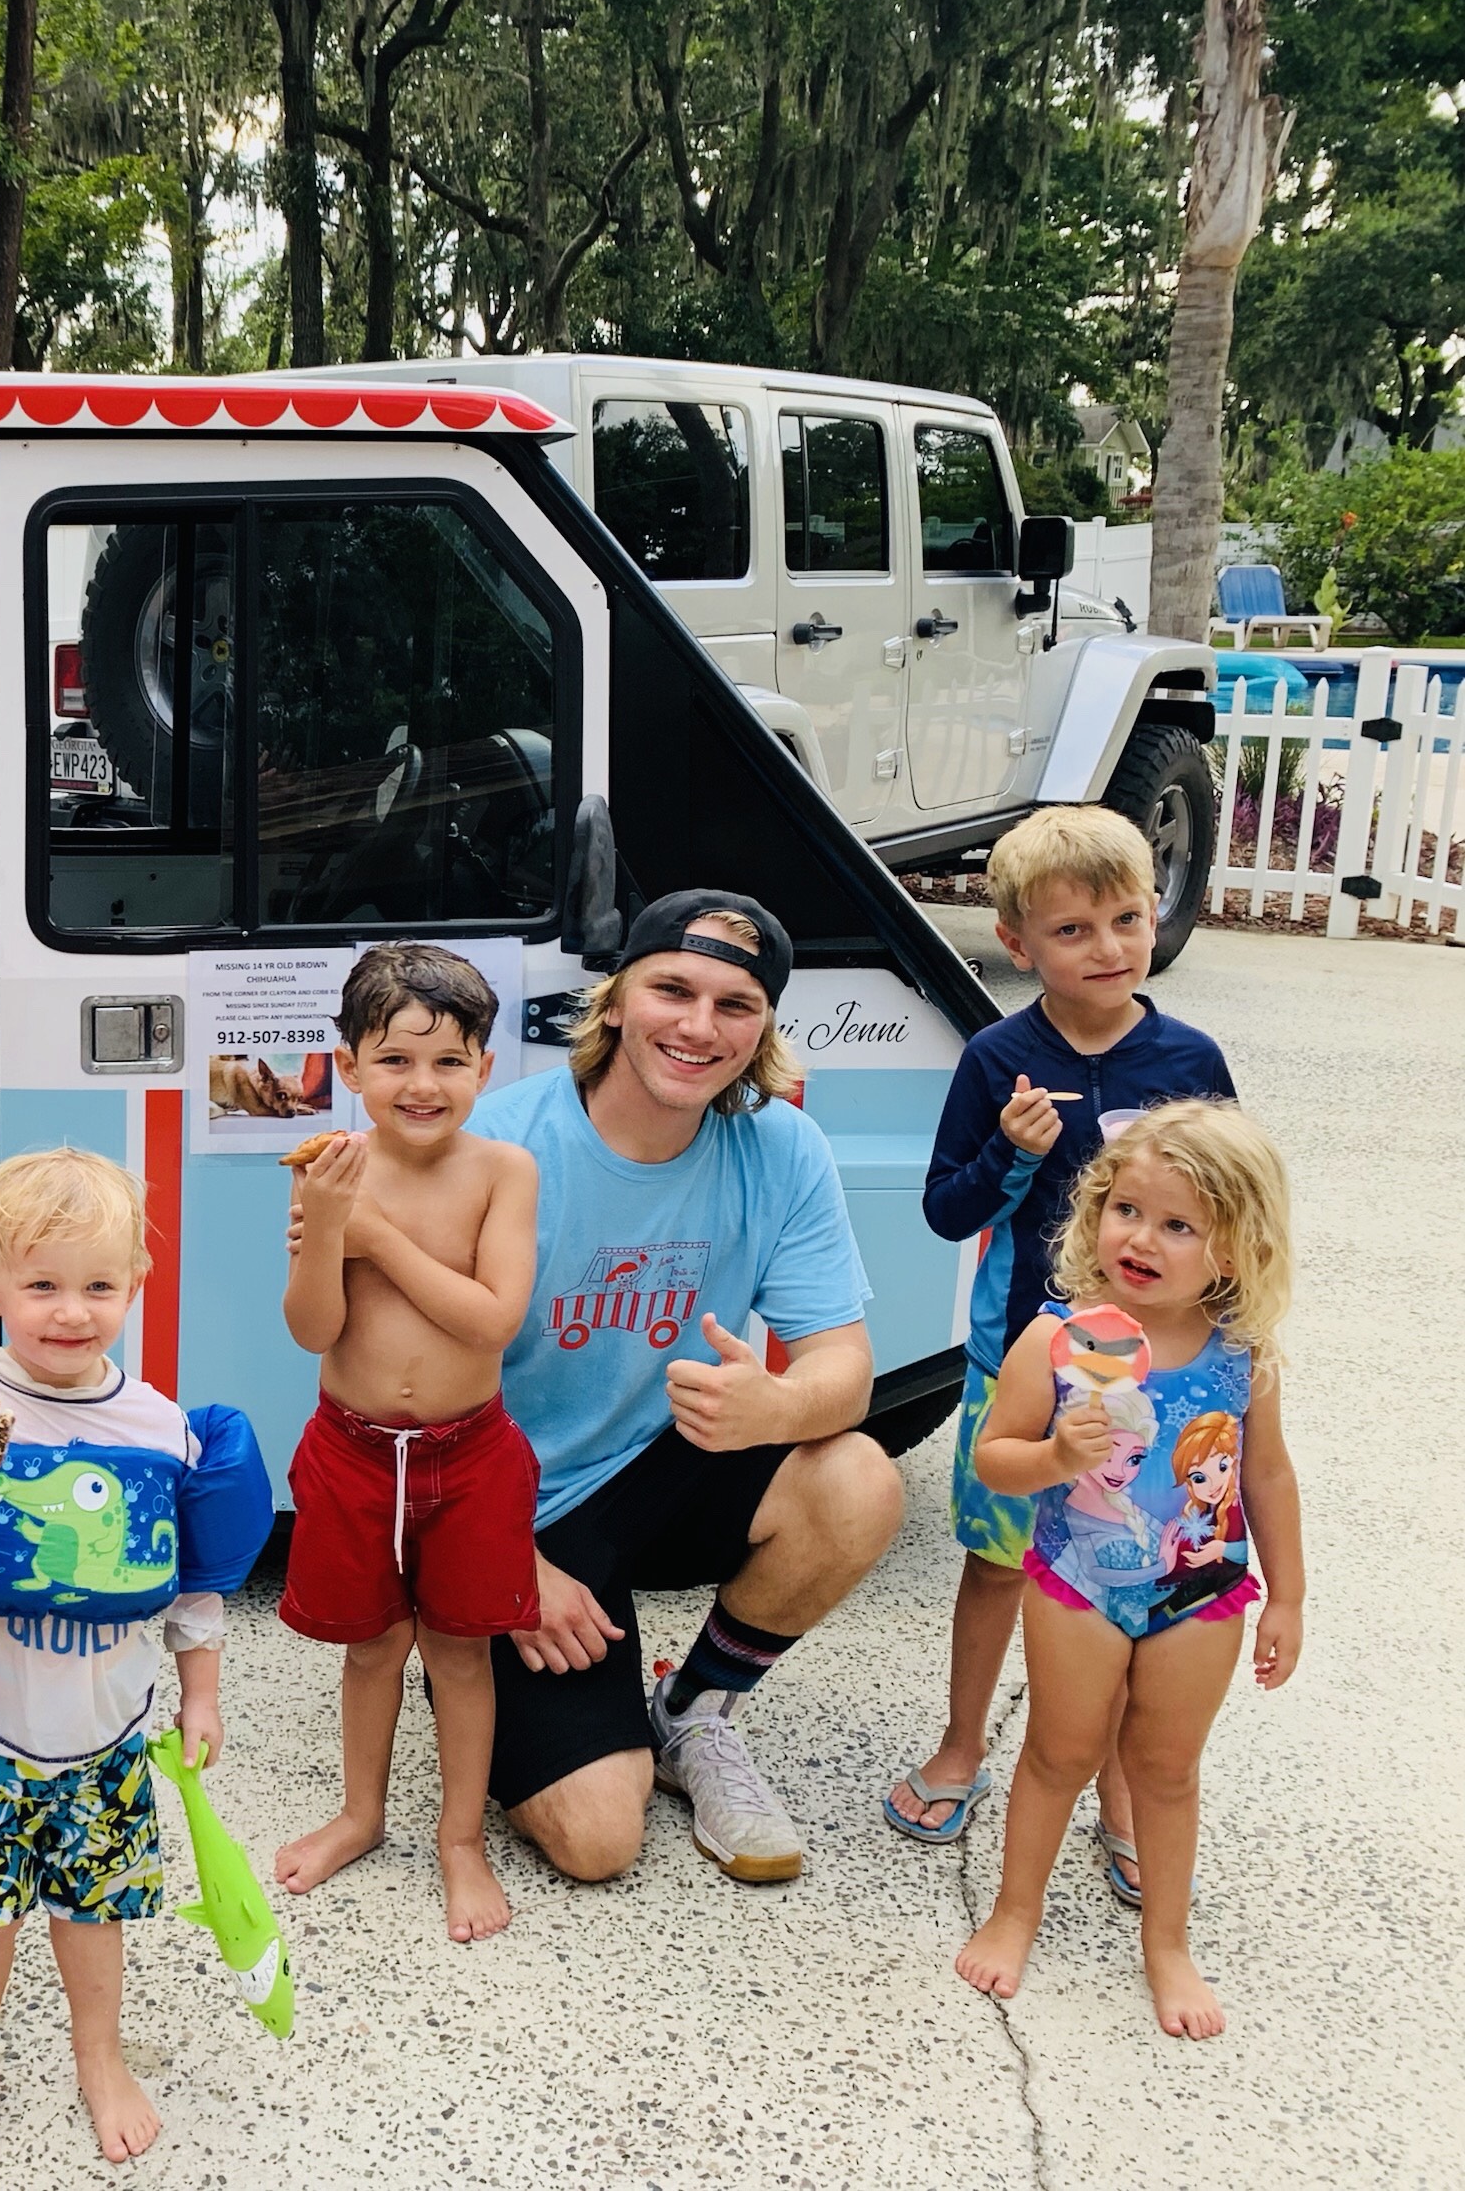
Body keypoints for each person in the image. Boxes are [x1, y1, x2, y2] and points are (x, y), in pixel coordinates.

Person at [464, 890, 903, 1884]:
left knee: (860, 1480)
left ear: (763, 1030)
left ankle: (692, 1715)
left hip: (661, 1466)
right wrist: (507, 1567)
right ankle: (455, 1640)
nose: (700, 1027)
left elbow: (845, 1370)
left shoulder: (781, 1147)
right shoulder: (502, 1144)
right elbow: (404, 1405)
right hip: (509, 1505)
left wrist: (778, 1406)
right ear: (617, 1000)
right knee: (597, 1842)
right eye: (673, 989)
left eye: (736, 1005)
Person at [888, 807, 1235, 1890]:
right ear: (1017, 939)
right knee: (1001, 1566)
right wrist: (1007, 1151)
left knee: (1135, 1576)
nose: (1111, 949)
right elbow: (946, 1213)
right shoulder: (1000, 1057)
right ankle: (963, 1744)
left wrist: (1228, 1340)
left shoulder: (1189, 1058)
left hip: (1160, 1381)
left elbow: (1230, 1212)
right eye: (1075, 930)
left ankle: (1126, 1785)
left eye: (1128, 919)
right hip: (1022, 1366)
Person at [0, 1147, 223, 2174]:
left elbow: (193, 1578)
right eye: (42, 1285)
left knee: (97, 1914)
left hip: (109, 1736)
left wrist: (199, 1693)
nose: (72, 1312)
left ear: (137, 1287)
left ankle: (98, 2055)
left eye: (99, 1286)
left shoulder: (160, 1427)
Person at [955, 1101, 1303, 2038]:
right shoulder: (1058, 1340)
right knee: (1059, 1752)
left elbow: (1265, 1475)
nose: (1141, 1238)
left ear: (1233, 1251)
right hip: (1079, 1579)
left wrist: (1290, 1600)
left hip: (1203, 1589)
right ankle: (1015, 1910)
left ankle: (1167, 1944)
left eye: (1179, 1225)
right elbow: (997, 1459)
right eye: (1126, 1210)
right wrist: (1057, 1456)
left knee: (1167, 1768)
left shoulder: (1243, 1354)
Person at [273, 943, 540, 1941]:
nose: (420, 1085)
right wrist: (327, 1229)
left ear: (483, 1066)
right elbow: (311, 1329)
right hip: (349, 1447)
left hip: (468, 1455)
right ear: (348, 1069)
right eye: (393, 1061)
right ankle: (361, 1813)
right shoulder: (325, 1170)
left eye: (448, 1061)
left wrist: (375, 1237)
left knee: (461, 1654)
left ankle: (459, 1838)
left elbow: (491, 1321)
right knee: (370, 1647)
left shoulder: (502, 1171)